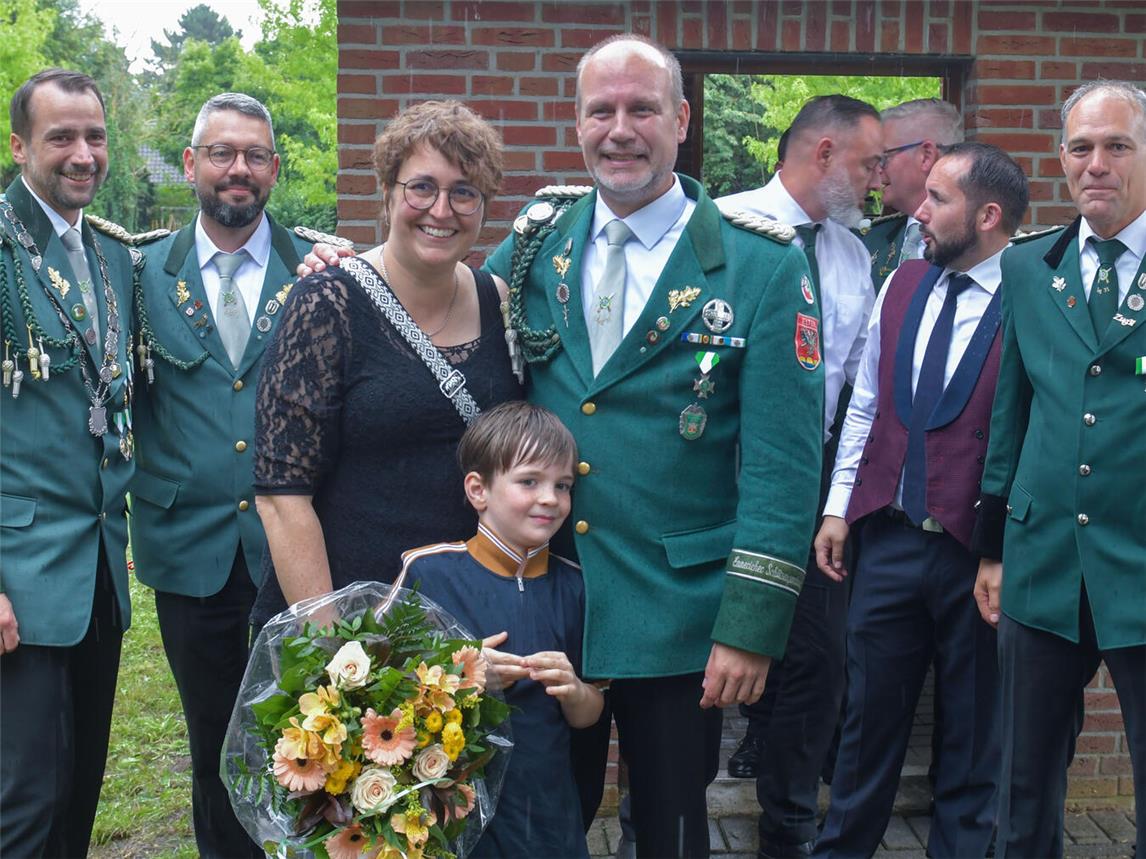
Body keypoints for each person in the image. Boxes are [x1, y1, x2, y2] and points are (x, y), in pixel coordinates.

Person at [483, 34, 824, 858]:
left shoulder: (760, 264)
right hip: (545, 595)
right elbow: (446, 308)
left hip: (678, 608)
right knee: (538, 819)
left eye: (642, 109)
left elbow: (783, 464)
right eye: (600, 110)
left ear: (681, 119)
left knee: (671, 827)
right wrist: (350, 270)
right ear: (577, 122)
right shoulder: (535, 242)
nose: (620, 130)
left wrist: (750, 624)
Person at [128, 92, 343, 858]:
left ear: (275, 169)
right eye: (221, 153)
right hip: (191, 550)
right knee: (214, 746)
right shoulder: (141, 273)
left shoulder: (321, 266)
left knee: (312, 735)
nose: (238, 168)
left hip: (296, 550)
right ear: (192, 164)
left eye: (254, 154)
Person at [813, 141, 1030, 857]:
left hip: (979, 558)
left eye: (938, 198)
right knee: (864, 728)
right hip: (889, 539)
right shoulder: (903, 283)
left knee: (973, 738)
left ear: (988, 216)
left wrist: (1004, 547)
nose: (920, 212)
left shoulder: (1031, 297)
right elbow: (866, 403)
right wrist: (839, 507)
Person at [251, 100, 522, 630]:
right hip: (351, 618)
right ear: (387, 193)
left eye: (464, 192)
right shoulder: (326, 303)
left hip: (473, 621)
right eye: (421, 187)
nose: (441, 210)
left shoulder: (501, 302)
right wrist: (333, 643)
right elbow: (282, 497)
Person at [971, 80, 1146, 858]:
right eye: (1081, 147)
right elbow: (1010, 410)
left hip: (1141, 555)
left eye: (1117, 146)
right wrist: (992, 546)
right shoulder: (1027, 266)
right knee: (1021, 785)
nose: (1095, 163)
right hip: (1043, 561)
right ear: (1062, 157)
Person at [715, 95, 882, 858]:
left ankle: (786, 822)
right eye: (869, 162)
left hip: (807, 485)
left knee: (818, 656)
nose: (878, 179)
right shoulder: (720, 225)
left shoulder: (851, 254)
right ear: (823, 153)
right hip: (713, 477)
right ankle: (664, 816)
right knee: (700, 647)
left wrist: (836, 499)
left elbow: (854, 387)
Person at [0, 69, 137, 857]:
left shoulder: (113, 254)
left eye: (95, 136)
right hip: (19, 575)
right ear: (19, 146)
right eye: (61, 137)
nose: (83, 154)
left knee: (79, 787)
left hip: (97, 572)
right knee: (26, 800)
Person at [401, 400, 603, 858]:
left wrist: (574, 689)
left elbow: (591, 711)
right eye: (529, 481)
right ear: (479, 489)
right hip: (445, 814)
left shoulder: (577, 586)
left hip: (546, 814)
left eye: (563, 485)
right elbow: (382, 695)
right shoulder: (427, 571)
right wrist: (462, 677)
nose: (550, 498)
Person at [862, 99, 964, 287]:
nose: (876, 169)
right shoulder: (869, 240)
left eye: (883, 158)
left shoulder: (982, 240)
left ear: (926, 156)